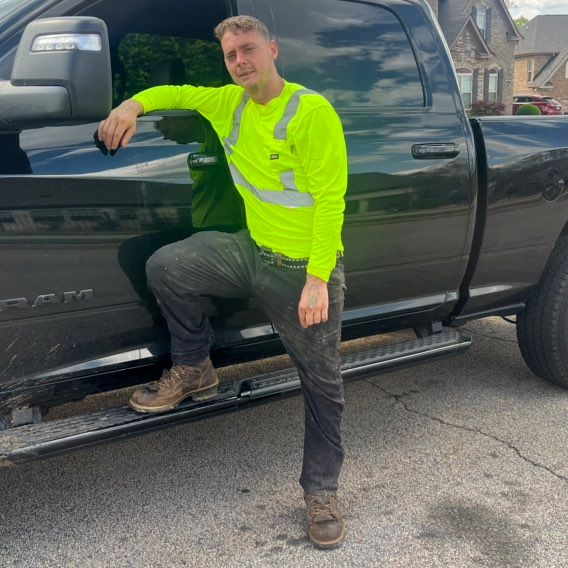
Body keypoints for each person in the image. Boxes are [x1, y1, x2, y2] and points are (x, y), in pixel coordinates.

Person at [98, 15, 348, 550]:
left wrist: (318, 279)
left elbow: (331, 200)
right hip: (252, 251)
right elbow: (174, 93)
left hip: (301, 268)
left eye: (248, 49)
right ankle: (196, 367)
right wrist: (130, 105)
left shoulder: (310, 112)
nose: (240, 61)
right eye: (231, 54)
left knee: (322, 382)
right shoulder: (227, 102)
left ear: (272, 50)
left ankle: (322, 491)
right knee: (167, 265)